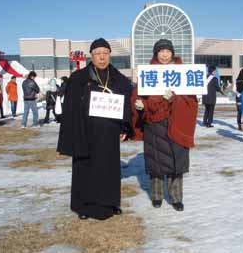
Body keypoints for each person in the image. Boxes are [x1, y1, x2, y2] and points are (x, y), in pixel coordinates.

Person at [57, 38, 133, 220]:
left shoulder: (119, 79)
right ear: (91, 56)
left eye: (105, 53)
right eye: (98, 54)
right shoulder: (79, 78)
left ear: (109, 55)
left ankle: (110, 203)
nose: (101, 58)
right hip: (86, 131)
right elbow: (71, 108)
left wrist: (124, 127)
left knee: (109, 169)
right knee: (85, 168)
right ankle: (83, 206)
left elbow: (126, 105)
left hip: (109, 132)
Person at [132, 39, 198, 211]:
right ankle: (157, 196)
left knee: (177, 163)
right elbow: (139, 97)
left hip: (176, 124)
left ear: (172, 53)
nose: (164, 54)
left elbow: (191, 102)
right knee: (156, 163)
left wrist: (175, 99)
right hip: (154, 124)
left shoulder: (183, 73)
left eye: (167, 51)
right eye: (160, 51)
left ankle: (176, 197)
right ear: (155, 54)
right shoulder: (148, 73)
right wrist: (141, 106)